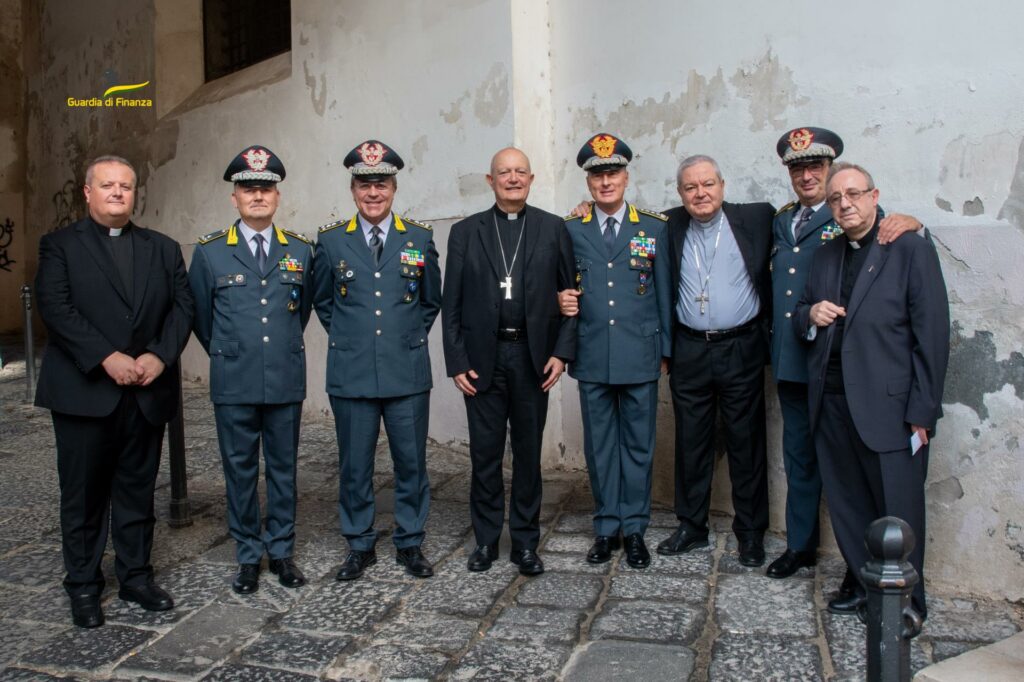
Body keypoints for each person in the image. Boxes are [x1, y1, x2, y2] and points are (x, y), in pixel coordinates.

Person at [34, 155, 193, 628]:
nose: (118, 193)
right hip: (85, 393)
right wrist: (107, 357)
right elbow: (55, 307)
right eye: (108, 186)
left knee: (136, 490)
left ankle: (136, 576)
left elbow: (183, 308)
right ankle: (83, 586)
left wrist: (158, 357)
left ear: (135, 192)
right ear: (88, 192)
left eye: (126, 186)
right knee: (82, 495)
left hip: (145, 391)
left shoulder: (162, 248)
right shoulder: (59, 246)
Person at [768, 128, 925, 598]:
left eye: (817, 167)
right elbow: (798, 300)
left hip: (872, 388)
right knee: (824, 479)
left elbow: (928, 329)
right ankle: (828, 562)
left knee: (879, 490)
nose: (808, 176)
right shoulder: (792, 229)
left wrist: (917, 223)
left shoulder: (882, 230)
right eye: (798, 169)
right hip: (811, 376)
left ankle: (892, 589)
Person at [795, 162, 948, 620]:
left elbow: (933, 336)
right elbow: (802, 309)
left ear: (874, 195)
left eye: (854, 194)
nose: (845, 204)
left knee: (898, 508)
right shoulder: (825, 255)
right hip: (833, 401)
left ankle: (906, 604)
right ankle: (866, 587)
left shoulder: (908, 250)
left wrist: (922, 412)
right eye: (836, 198)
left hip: (892, 408)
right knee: (848, 503)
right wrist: (810, 315)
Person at [442, 147, 575, 576]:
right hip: (483, 358)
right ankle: (484, 541)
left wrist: (561, 353)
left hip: (533, 358)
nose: (512, 178)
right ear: (490, 179)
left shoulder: (554, 229)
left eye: (520, 172)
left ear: (532, 179)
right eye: (504, 172)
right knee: (484, 455)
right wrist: (456, 361)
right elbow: (452, 305)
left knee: (527, 455)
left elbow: (573, 298)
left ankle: (525, 543)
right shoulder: (465, 232)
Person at [314, 140, 441, 580]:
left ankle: (409, 542)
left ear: (394, 188)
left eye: (381, 184)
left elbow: (430, 302)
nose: (374, 193)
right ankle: (359, 542)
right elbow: (323, 302)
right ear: (352, 189)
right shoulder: (331, 241)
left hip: (405, 371)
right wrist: (356, 340)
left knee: (411, 463)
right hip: (351, 373)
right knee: (354, 464)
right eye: (365, 185)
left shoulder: (419, 238)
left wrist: (400, 339)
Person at [188, 146, 314, 594]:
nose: (257, 196)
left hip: (283, 378)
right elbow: (203, 319)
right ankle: (246, 554)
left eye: (265, 188)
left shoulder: (300, 249)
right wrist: (233, 352)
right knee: (239, 470)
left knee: (283, 469)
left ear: (277, 195)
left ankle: (280, 551)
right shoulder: (210, 253)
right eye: (248, 189)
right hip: (235, 380)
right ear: (234, 199)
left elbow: (300, 314)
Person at [558, 133, 672, 569]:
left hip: (640, 352)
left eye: (613, 173)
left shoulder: (654, 226)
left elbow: (662, 291)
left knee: (639, 445)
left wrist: (666, 350)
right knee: (601, 446)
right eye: (597, 175)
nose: (606, 182)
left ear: (626, 176)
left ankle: (635, 528)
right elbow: (560, 285)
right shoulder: (571, 229)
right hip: (592, 354)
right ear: (588, 182)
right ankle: (606, 527)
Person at [658, 155, 773, 567]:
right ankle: (691, 526)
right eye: (691, 187)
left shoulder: (758, 217)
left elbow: (827, 215)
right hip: (689, 349)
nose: (700, 193)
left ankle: (751, 532)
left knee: (746, 442)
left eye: (708, 184)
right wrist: (582, 208)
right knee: (690, 441)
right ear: (680, 194)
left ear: (723, 185)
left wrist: (899, 219)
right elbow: (619, 219)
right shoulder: (666, 224)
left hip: (740, 347)